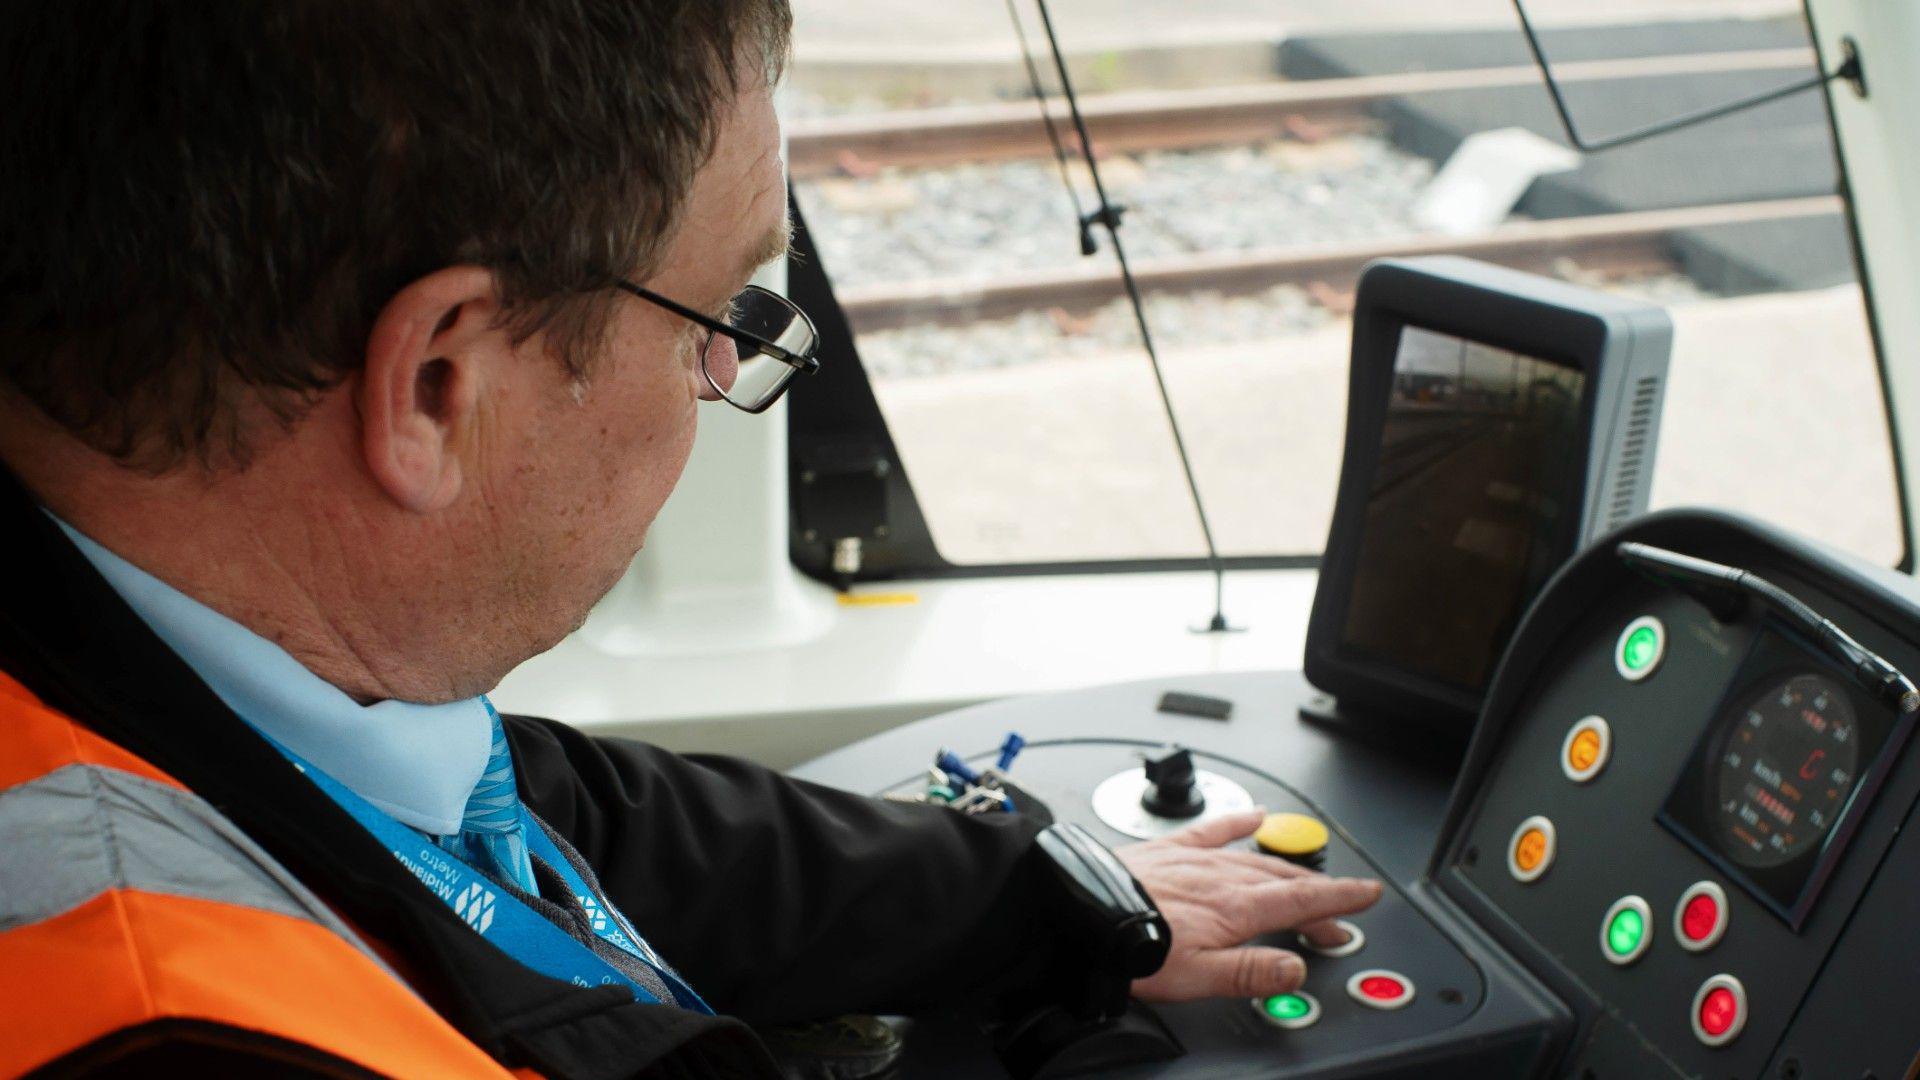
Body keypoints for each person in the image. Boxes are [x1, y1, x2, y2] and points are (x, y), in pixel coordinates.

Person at [0, 3, 1383, 1076]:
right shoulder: (182, 1030)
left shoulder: (209, 681)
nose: (726, 379)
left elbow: (540, 812)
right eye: (717, 321)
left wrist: (1038, 894)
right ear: (436, 383)